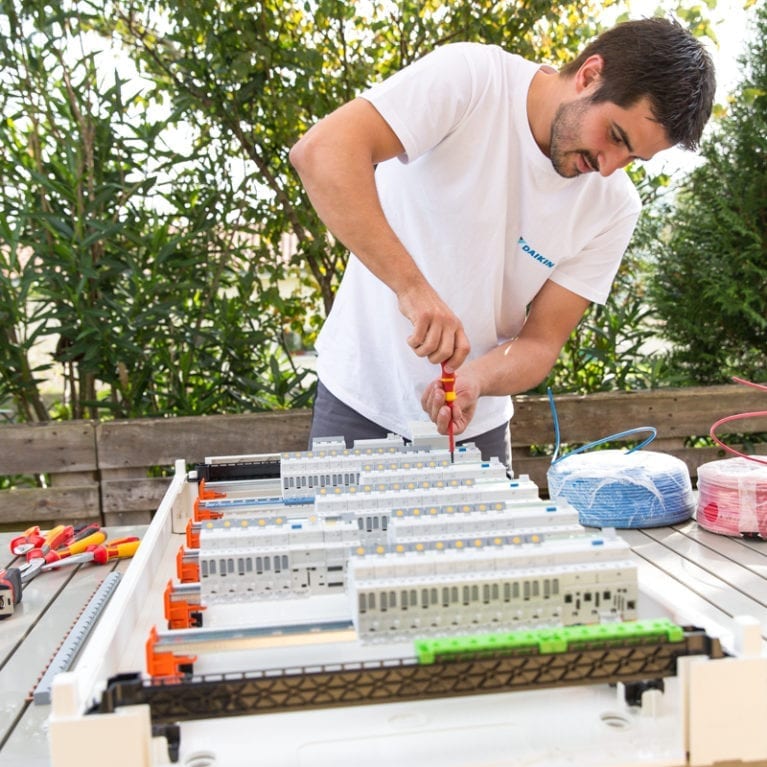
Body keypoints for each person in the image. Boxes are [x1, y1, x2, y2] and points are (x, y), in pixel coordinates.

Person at [289, 17, 715, 468]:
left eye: (632, 159)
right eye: (615, 136)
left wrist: (475, 380)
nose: (608, 167)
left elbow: (541, 343)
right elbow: (322, 152)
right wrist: (412, 288)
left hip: (474, 428)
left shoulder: (614, 207)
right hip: (358, 401)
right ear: (590, 75)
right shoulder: (472, 79)